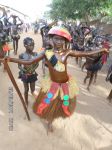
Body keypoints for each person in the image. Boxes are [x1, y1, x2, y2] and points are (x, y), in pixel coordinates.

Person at [6, 26, 109, 132]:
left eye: (61, 39)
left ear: (65, 40)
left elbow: (84, 53)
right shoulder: (46, 52)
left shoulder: (67, 52)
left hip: (65, 84)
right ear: (51, 39)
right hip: (52, 84)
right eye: (56, 38)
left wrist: (102, 49)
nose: (59, 41)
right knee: (49, 102)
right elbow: (30, 62)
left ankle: (53, 118)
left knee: (64, 102)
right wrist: (11, 59)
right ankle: (50, 120)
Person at [18, 37, 39, 106]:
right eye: (30, 45)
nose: (32, 47)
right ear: (25, 45)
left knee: (33, 90)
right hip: (25, 75)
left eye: (33, 45)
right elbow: (19, 66)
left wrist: (33, 69)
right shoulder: (21, 55)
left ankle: (38, 102)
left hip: (32, 74)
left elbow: (37, 64)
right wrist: (24, 71)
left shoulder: (35, 54)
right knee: (26, 89)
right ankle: (26, 101)